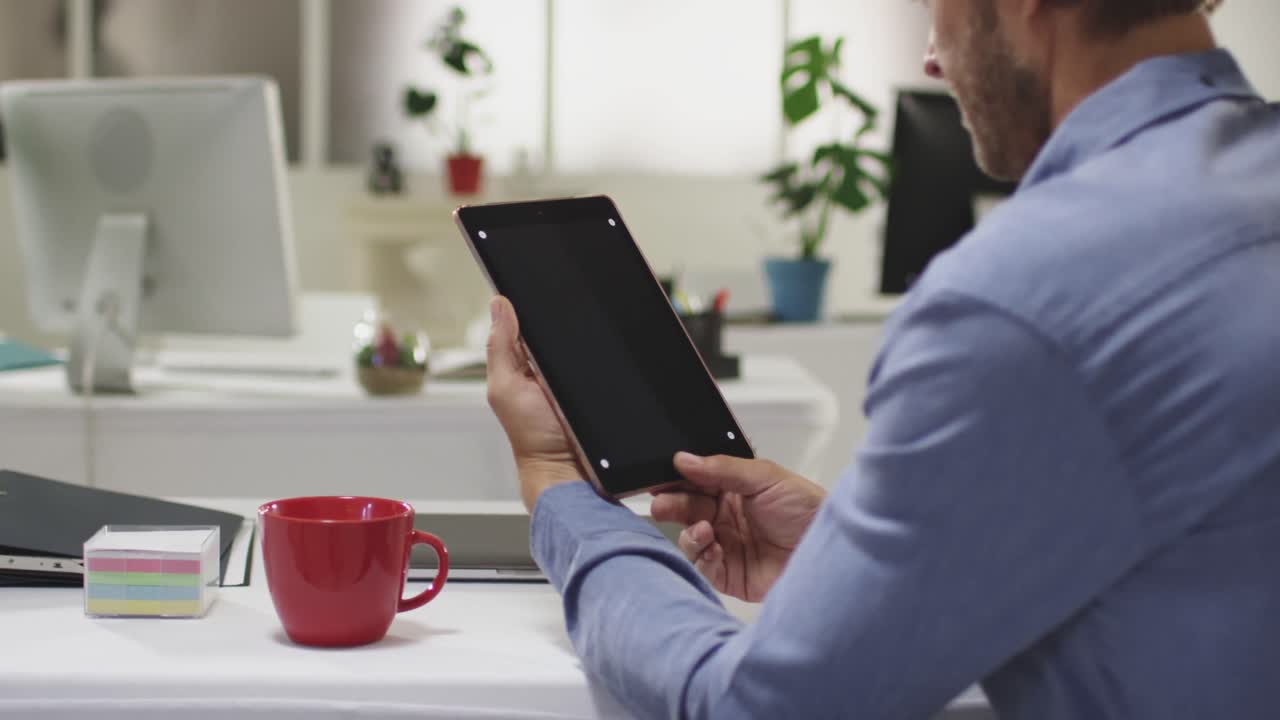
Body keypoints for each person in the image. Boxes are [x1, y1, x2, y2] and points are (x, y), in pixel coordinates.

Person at [485, 0, 1280, 717]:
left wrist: (560, 491)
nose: (932, 58)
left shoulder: (1017, 297)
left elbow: (753, 708)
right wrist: (870, 558)